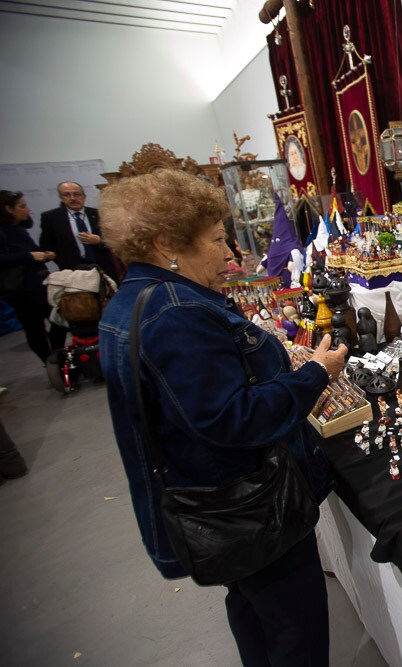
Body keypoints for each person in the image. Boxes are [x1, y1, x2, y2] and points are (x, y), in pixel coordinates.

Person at [97, 170, 349, 666]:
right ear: (166, 243)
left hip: (218, 508)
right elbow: (236, 419)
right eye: (215, 240)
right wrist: (315, 374)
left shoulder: (134, 302)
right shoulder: (176, 315)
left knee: (254, 611)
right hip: (250, 510)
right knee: (295, 631)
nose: (231, 254)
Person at [0, 190, 67, 363]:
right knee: (34, 328)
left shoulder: (18, 228)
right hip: (21, 289)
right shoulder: (3, 231)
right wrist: (30, 256)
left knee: (59, 321)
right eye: (22, 206)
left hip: (39, 284)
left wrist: (43, 255)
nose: (28, 210)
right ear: (8, 209)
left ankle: (58, 357)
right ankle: (50, 362)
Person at [40, 181, 121, 282]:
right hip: (73, 270)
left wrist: (100, 240)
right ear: (61, 197)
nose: (72, 198)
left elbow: (116, 240)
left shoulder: (99, 214)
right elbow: (47, 246)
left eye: (77, 194)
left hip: (103, 266)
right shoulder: (51, 218)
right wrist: (62, 260)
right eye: (67, 195)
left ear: (84, 196)